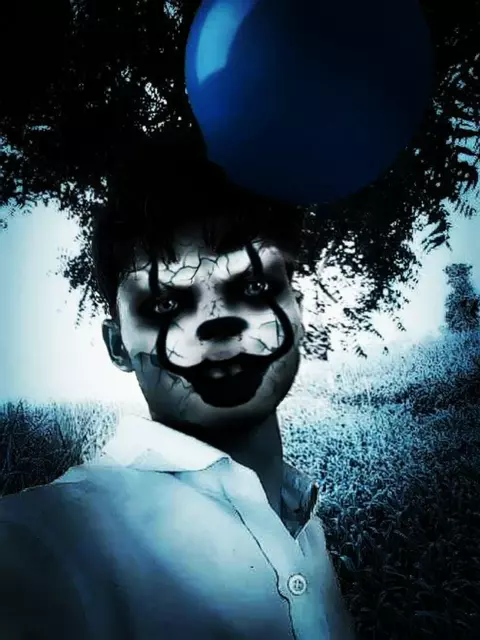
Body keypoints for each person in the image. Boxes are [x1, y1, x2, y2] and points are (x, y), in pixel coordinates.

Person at [0, 130, 357, 639]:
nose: (218, 322)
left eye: (255, 285)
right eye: (165, 303)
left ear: (297, 313)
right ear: (118, 345)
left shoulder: (305, 525)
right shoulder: (53, 538)